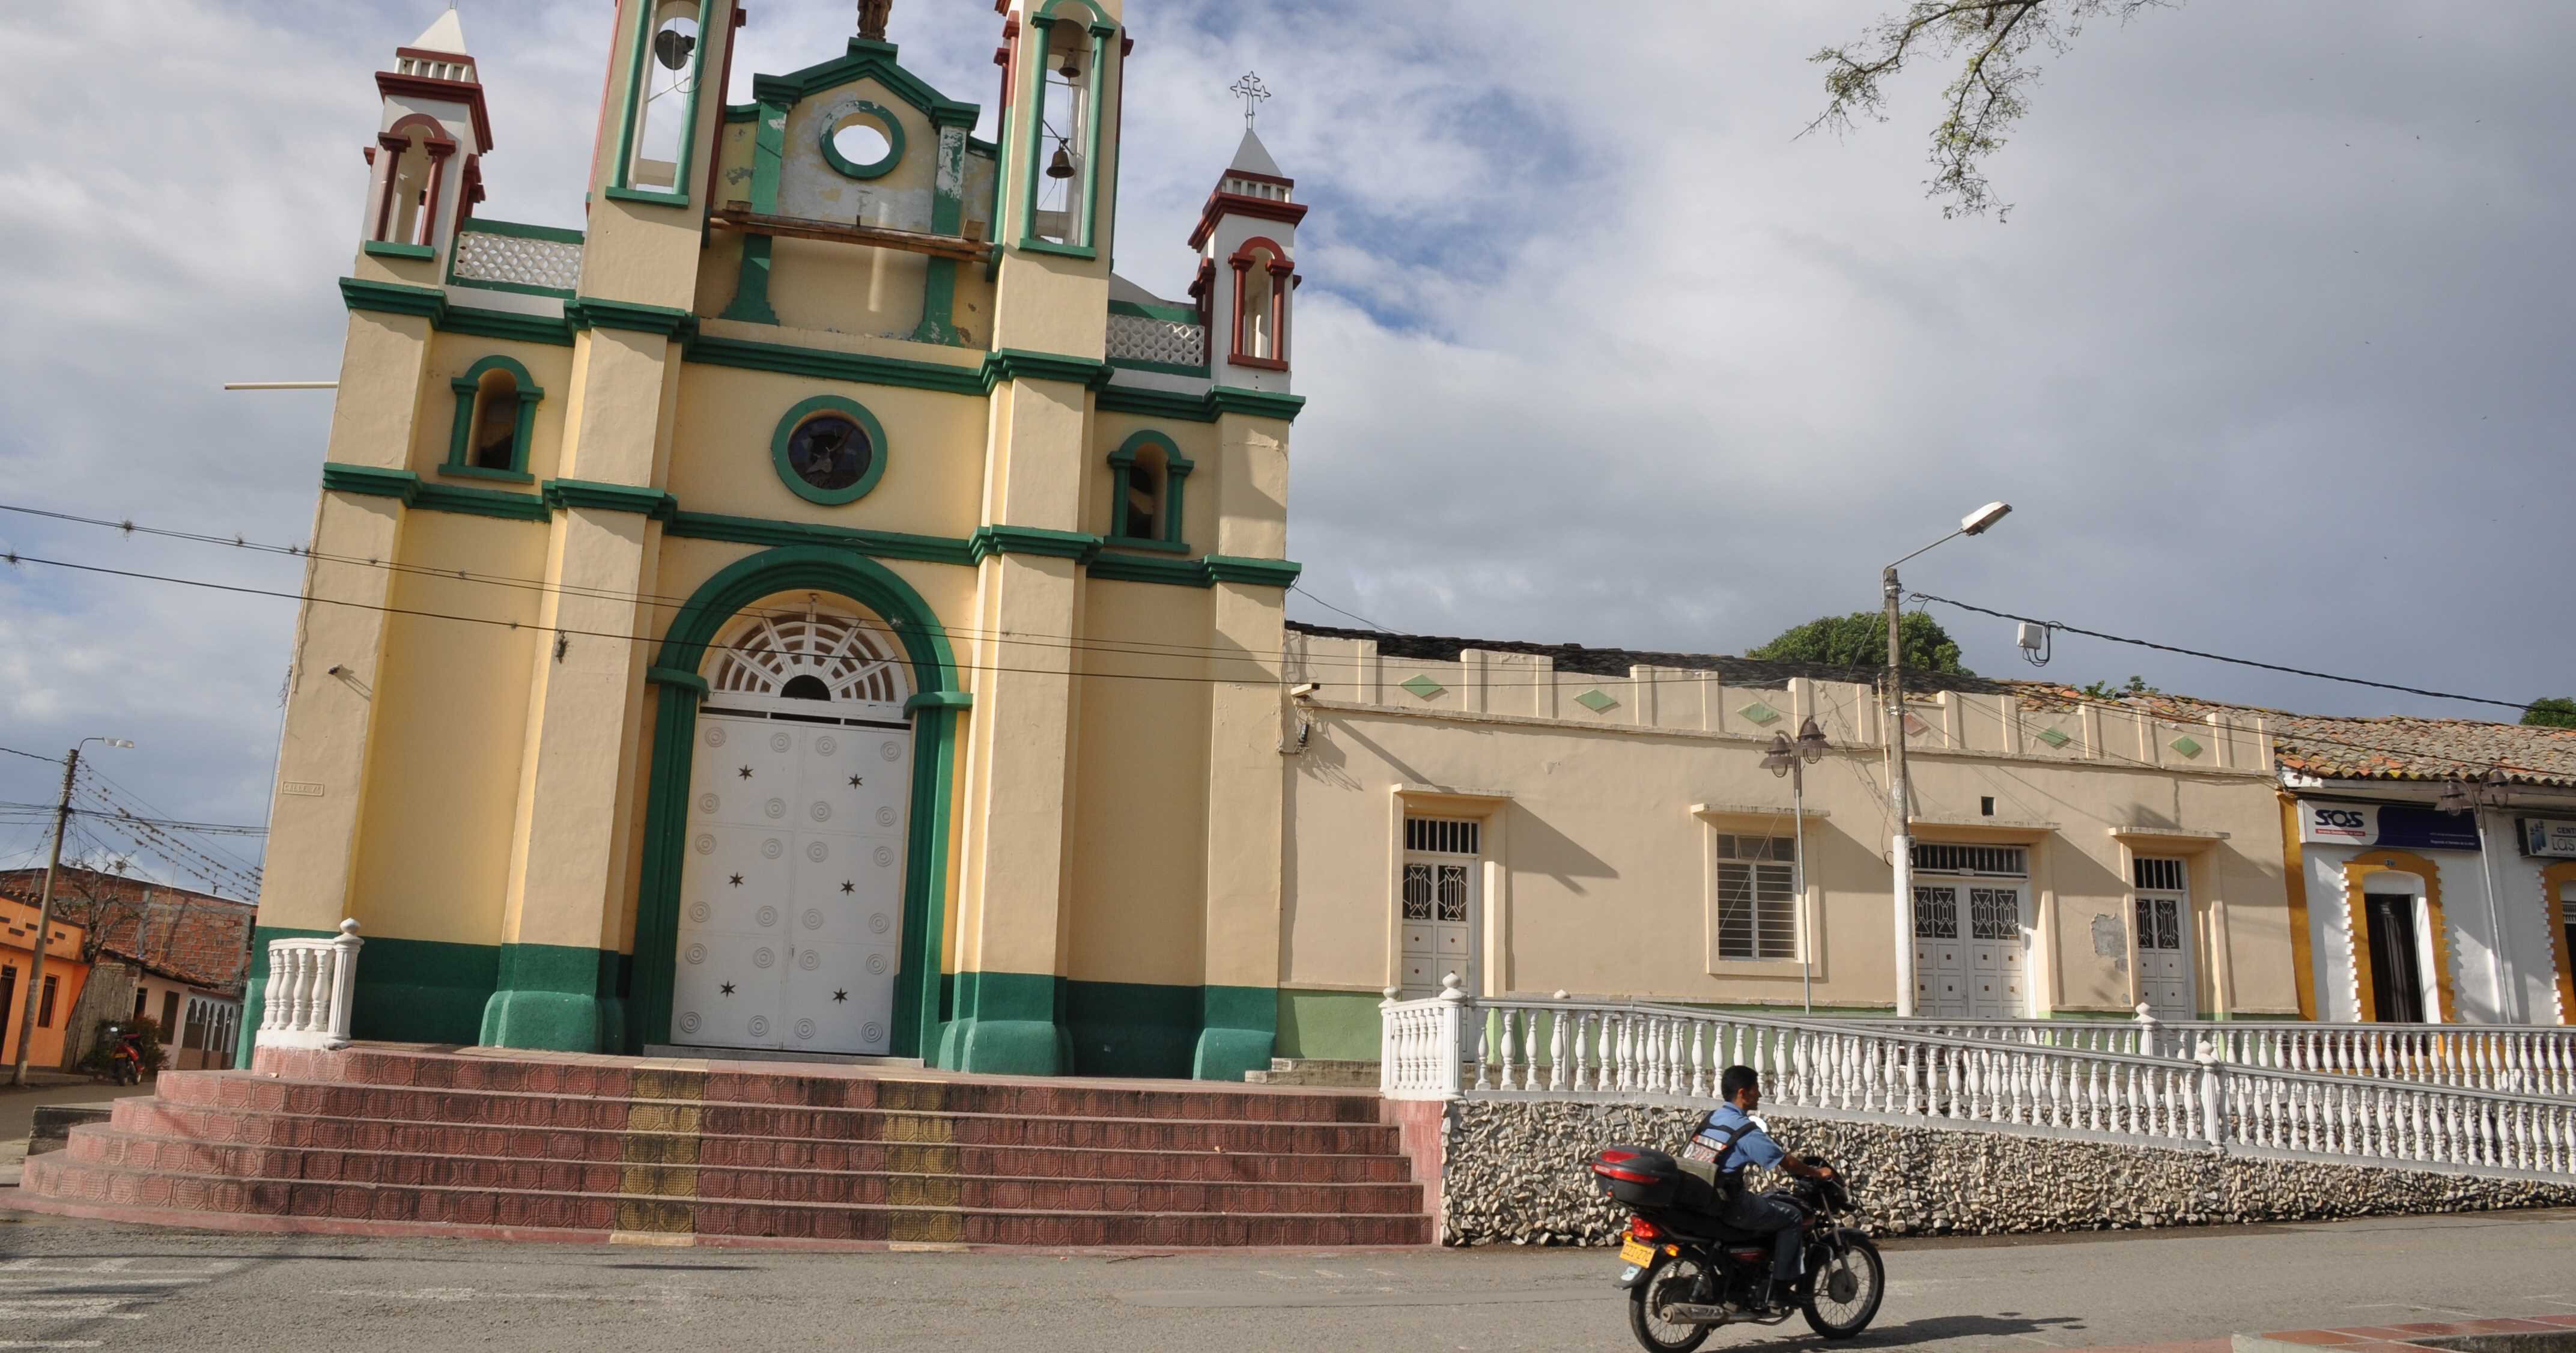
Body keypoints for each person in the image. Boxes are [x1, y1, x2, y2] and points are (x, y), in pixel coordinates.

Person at [1698, 1064, 1835, 1314]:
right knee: (1792, 1217)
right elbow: (1786, 1162)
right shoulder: (1745, 1130)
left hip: (1702, 1198)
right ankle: (1780, 1291)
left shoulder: (1713, 1118)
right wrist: (1817, 1173)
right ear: (1743, 1093)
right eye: (1756, 1089)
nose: (1759, 1094)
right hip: (1729, 1204)